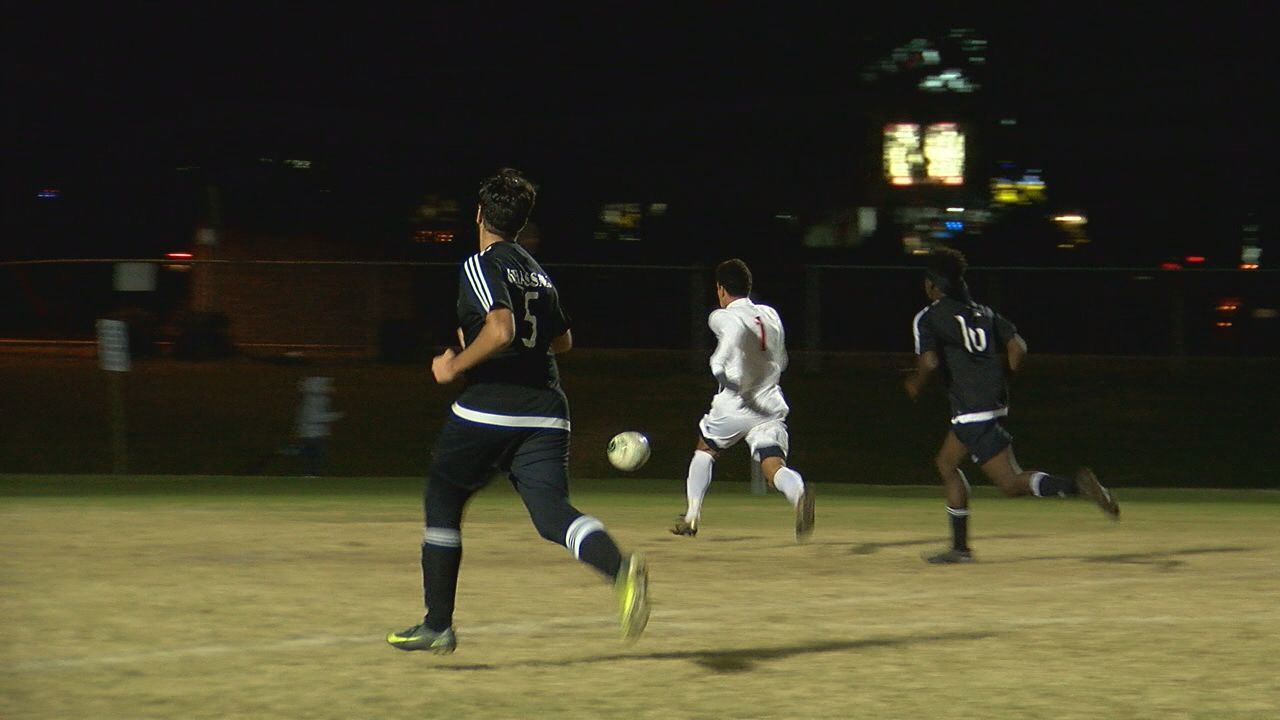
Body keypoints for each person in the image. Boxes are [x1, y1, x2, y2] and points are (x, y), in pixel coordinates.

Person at [387, 169, 649, 654]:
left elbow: (502, 329)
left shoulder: (480, 263)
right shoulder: (537, 269)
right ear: (521, 222)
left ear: (480, 215)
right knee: (552, 515)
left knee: (443, 498)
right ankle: (619, 570)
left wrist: (454, 365)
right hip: (548, 408)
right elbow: (563, 341)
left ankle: (437, 625)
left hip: (492, 406)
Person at [903, 248, 1120, 564]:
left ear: (933, 285)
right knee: (946, 463)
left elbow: (930, 361)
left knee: (1009, 483)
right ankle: (959, 548)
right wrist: (1002, 378)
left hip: (971, 411)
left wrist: (914, 383)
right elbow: (1018, 348)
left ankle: (1076, 486)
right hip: (987, 406)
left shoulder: (929, 316)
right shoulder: (984, 312)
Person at [671, 258, 815, 541]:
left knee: (705, 450)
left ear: (721, 290)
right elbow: (781, 357)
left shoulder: (720, 316)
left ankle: (691, 516)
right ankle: (799, 494)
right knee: (773, 465)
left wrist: (718, 360)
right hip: (770, 402)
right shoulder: (770, 314)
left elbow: (733, 333)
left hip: (737, 402)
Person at [292, 376, 342, 477]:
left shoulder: (318, 399)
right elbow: (312, 417)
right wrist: (334, 416)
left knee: (314, 456)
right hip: (312, 435)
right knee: (315, 457)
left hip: (314, 433)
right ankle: (311, 474)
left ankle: (311, 474)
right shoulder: (313, 400)